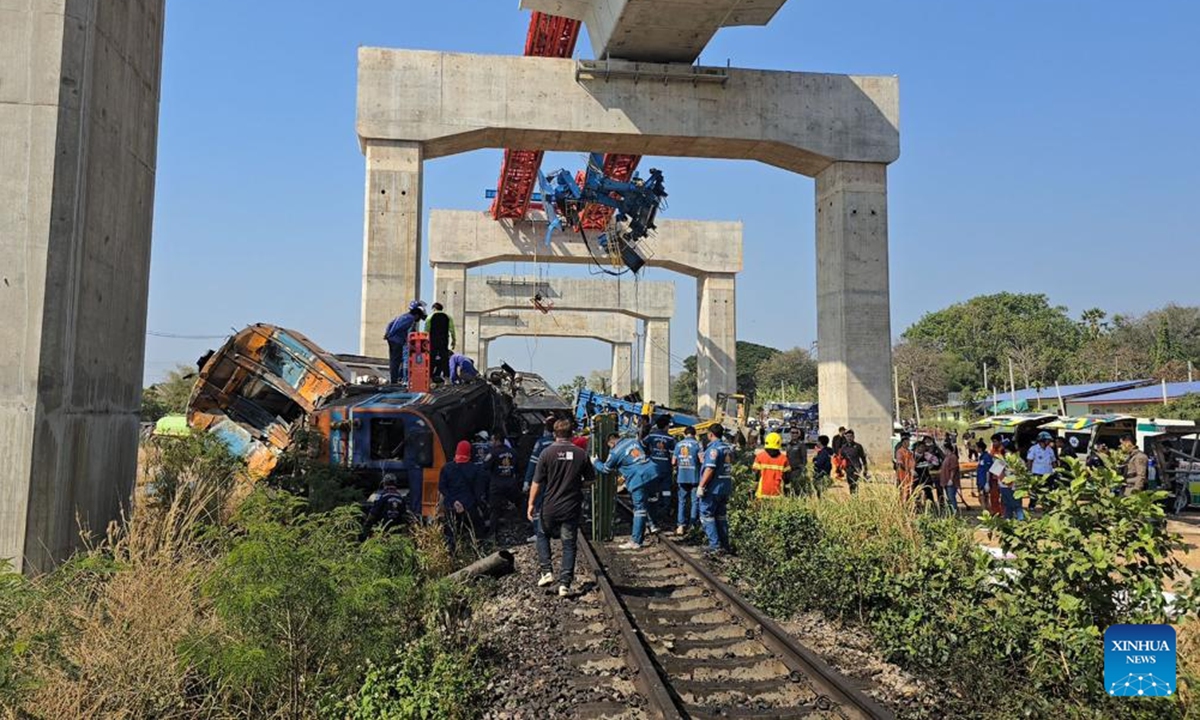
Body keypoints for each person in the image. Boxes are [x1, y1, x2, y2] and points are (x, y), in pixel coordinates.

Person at [529, 420, 595, 597]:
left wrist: (531, 504)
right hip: (571, 507)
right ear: (572, 434)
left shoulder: (546, 453)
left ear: (554, 434)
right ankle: (564, 584)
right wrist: (576, 484)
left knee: (542, 535)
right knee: (569, 544)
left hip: (550, 505)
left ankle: (546, 571)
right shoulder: (581, 454)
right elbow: (590, 480)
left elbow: (536, 482)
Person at [595, 432, 658, 550]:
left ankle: (636, 541)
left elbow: (606, 469)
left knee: (639, 509)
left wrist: (595, 462)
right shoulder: (633, 441)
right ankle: (653, 525)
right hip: (652, 471)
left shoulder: (615, 452)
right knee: (650, 499)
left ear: (611, 442)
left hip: (638, 478)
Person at [439, 440, 484, 552]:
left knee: (451, 534)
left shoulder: (446, 468)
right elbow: (478, 491)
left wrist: (454, 502)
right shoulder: (475, 469)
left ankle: (452, 554)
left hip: (451, 506)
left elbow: (442, 487)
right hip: (469, 506)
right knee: (476, 531)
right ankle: (475, 553)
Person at [698, 424, 734, 555]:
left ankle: (714, 545)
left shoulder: (713, 449)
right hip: (725, 486)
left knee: (706, 514)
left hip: (713, 488)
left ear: (710, 434)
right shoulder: (727, 448)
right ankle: (724, 544)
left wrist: (701, 486)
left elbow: (709, 469)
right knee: (721, 516)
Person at [523, 417, 558, 542]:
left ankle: (539, 532)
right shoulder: (561, 444)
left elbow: (533, 463)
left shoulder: (541, 443)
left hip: (543, 480)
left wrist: (527, 481)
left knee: (538, 505)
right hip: (557, 480)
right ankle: (554, 529)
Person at [643, 415, 677, 528]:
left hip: (652, 467)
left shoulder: (651, 435)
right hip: (666, 468)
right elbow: (674, 454)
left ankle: (651, 515)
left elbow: (642, 445)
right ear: (666, 426)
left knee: (652, 491)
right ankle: (664, 511)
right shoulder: (670, 438)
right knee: (666, 491)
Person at [383, 300, 426, 383]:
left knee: (394, 360)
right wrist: (391, 334)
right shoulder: (410, 319)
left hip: (392, 339)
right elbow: (401, 329)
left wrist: (388, 334)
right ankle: (394, 381)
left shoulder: (404, 316)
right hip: (397, 340)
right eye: (419, 317)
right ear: (417, 314)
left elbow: (390, 324)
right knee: (396, 360)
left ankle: (394, 379)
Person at [487, 433, 522, 535]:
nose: (491, 442)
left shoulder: (493, 453)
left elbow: (485, 467)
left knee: (494, 510)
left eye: (492, 440)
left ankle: (492, 533)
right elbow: (518, 468)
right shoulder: (513, 452)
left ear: (497, 440)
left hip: (496, 485)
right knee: (520, 502)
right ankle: (526, 521)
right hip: (511, 483)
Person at [672, 426, 703, 534]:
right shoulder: (697, 444)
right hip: (694, 477)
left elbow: (673, 462)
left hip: (682, 477)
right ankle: (692, 526)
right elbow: (702, 460)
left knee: (682, 501)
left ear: (684, 434)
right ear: (694, 434)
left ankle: (680, 526)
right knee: (695, 501)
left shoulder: (678, 444)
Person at [752, 432, 791, 499]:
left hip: (762, 494)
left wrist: (753, 489)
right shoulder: (784, 459)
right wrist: (787, 491)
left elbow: (755, 475)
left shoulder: (759, 457)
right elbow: (787, 478)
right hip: (777, 494)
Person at [1025, 431, 1057, 510]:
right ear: (1042, 440)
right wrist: (1029, 472)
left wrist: (1056, 470)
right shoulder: (1033, 449)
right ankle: (1032, 506)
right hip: (1037, 473)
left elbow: (1053, 461)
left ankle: (1046, 506)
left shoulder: (1050, 450)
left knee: (1047, 491)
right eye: (1047, 440)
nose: (1049, 442)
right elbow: (1029, 461)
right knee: (1034, 491)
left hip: (1048, 474)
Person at [424, 302, 456, 382]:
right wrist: (453, 340)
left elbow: (426, 330)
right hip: (444, 340)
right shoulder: (448, 317)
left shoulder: (430, 317)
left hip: (433, 340)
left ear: (434, 308)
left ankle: (430, 378)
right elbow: (452, 330)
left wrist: (425, 342)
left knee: (431, 358)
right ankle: (447, 378)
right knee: (444, 358)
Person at [837, 429, 869, 493]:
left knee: (854, 483)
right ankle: (852, 495)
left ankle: (855, 496)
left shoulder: (858, 446)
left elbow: (863, 458)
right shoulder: (843, 447)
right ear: (845, 437)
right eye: (847, 436)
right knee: (850, 484)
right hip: (848, 468)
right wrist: (840, 469)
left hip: (856, 468)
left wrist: (865, 469)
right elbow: (840, 458)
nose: (849, 438)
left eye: (850, 436)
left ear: (853, 437)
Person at [786, 427, 812, 496]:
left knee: (797, 490)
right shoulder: (788, 445)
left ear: (798, 434)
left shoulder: (801, 445)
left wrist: (802, 470)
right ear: (790, 434)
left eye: (796, 433)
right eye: (792, 433)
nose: (794, 434)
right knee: (789, 490)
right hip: (789, 471)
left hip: (798, 471)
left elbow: (804, 459)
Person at [940, 442, 961, 514]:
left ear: (947, 449)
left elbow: (953, 469)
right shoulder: (947, 457)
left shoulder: (953, 457)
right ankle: (951, 512)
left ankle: (954, 512)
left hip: (951, 481)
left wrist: (951, 479)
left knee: (951, 497)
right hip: (946, 480)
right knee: (949, 498)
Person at [974, 439, 995, 513]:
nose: (975, 449)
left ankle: (986, 513)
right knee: (984, 498)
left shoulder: (986, 457)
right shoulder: (981, 457)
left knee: (982, 498)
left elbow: (988, 471)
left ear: (980, 448)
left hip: (984, 481)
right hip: (980, 480)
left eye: (976, 447)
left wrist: (987, 483)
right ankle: (989, 512)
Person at [894, 434, 915, 503]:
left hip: (909, 475)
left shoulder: (910, 452)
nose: (908, 443)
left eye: (909, 442)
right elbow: (900, 463)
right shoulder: (900, 451)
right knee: (902, 491)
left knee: (909, 490)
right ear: (903, 443)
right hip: (902, 474)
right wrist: (908, 470)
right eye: (907, 442)